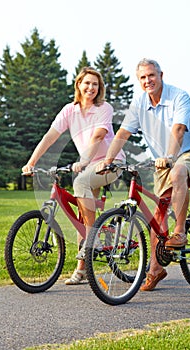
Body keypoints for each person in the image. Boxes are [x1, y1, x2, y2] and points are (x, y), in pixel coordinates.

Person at [96, 58, 190, 291]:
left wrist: (170, 156)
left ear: (161, 75)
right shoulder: (138, 105)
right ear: (139, 81)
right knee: (157, 217)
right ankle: (155, 269)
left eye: (151, 76)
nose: (148, 81)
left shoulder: (179, 96)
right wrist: (107, 161)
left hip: (189, 152)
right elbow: (123, 134)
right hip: (161, 162)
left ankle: (180, 232)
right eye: (143, 77)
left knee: (178, 171)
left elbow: (178, 129)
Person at [22, 66, 125, 285]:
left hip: (110, 162)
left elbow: (98, 137)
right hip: (88, 165)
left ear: (100, 88)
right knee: (82, 214)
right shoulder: (70, 110)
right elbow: (50, 137)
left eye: (95, 84)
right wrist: (31, 162)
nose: (91, 88)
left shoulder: (104, 108)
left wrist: (85, 161)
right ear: (78, 84)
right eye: (87, 83)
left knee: (80, 182)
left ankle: (92, 240)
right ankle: (82, 270)